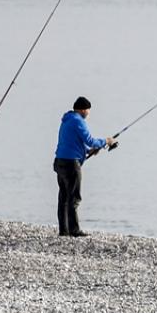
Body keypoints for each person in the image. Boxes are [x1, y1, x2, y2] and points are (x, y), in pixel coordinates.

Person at [53, 96, 115, 238]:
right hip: (71, 164)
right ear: (82, 109)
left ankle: (64, 230)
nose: (88, 113)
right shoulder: (78, 121)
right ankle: (74, 230)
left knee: (63, 197)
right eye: (88, 110)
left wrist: (88, 151)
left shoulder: (67, 120)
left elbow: (73, 143)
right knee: (74, 197)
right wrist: (106, 141)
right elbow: (90, 140)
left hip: (60, 161)